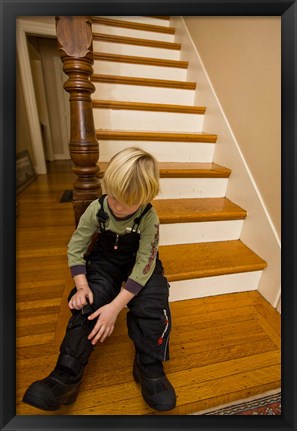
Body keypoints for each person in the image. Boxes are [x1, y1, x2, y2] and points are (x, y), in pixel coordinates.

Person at [22, 147, 176, 412]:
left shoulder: (150, 219)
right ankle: (66, 373)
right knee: (87, 301)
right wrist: (81, 286)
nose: (116, 207)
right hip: (105, 262)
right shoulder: (97, 209)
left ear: (146, 197)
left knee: (153, 301)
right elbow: (76, 248)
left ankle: (148, 366)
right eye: (113, 198)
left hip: (139, 267)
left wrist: (115, 308)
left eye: (126, 203)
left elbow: (143, 267)